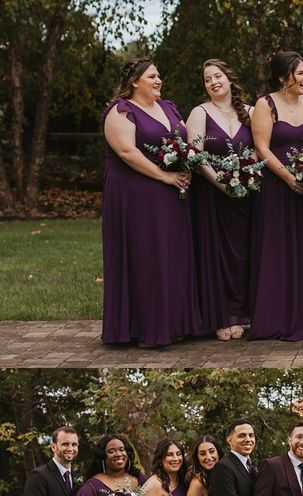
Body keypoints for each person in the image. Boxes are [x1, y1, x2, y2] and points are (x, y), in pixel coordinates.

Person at [101, 58, 201, 347]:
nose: (158, 81)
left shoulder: (169, 107)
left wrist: (188, 163)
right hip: (136, 196)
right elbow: (126, 152)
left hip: (171, 195)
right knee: (146, 256)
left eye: (159, 76)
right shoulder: (120, 111)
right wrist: (165, 177)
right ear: (135, 82)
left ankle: (175, 323)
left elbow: (184, 142)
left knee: (172, 254)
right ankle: (146, 328)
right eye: (152, 77)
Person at [250, 51, 303, 340]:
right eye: (300, 73)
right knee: (276, 249)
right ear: (283, 77)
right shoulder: (265, 104)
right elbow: (262, 148)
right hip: (276, 186)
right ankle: (274, 318)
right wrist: (289, 177)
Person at [187, 59, 254, 341]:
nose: (213, 82)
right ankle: (221, 315)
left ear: (229, 79)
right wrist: (221, 182)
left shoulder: (251, 112)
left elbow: (261, 149)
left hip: (248, 196)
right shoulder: (200, 113)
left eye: (218, 76)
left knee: (245, 253)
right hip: (212, 195)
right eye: (207, 79)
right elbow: (194, 154)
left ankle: (243, 313)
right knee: (216, 254)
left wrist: (247, 177)